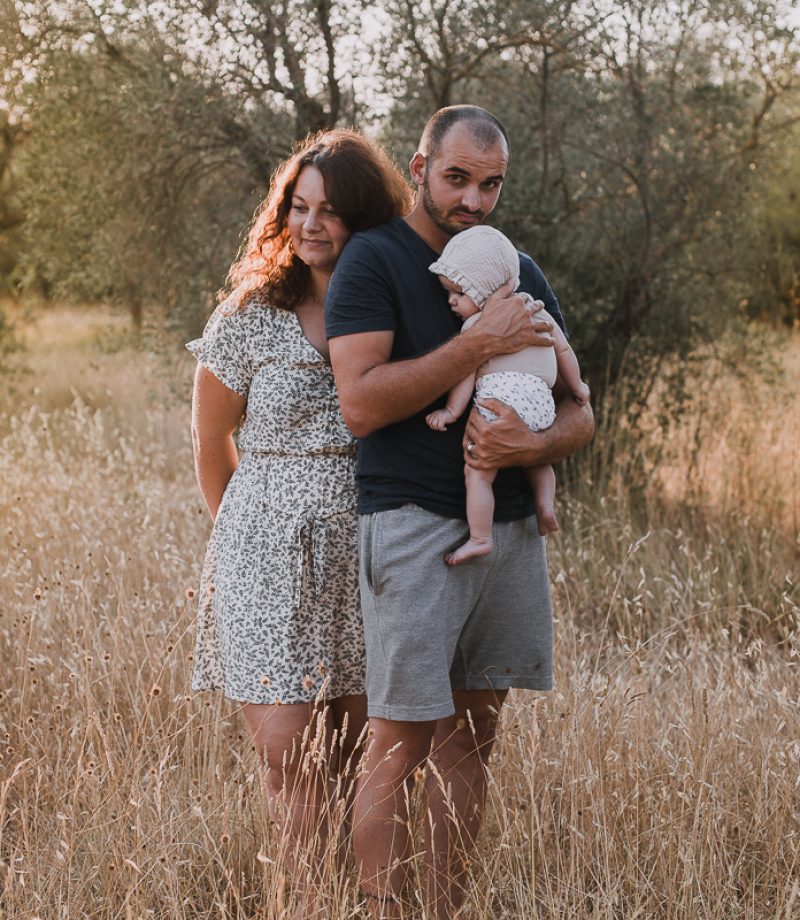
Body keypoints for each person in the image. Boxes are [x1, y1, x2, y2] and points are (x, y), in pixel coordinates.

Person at [325, 105, 594, 918]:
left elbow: (581, 410)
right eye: (458, 179)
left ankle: (441, 908)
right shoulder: (371, 261)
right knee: (399, 739)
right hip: (411, 528)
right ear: (418, 167)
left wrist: (530, 447)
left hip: (509, 534)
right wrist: (477, 345)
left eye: (491, 185)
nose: (475, 200)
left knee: (473, 742)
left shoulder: (517, 268)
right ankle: (382, 908)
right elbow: (361, 406)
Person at [187, 129, 410, 916]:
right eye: (298, 206)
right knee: (288, 752)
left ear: (369, 217)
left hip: (371, 549)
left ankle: (366, 898)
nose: (311, 224)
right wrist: (249, 534)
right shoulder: (249, 313)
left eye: (331, 211)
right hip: (263, 551)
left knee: (358, 752)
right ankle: (309, 906)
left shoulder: (394, 306)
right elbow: (212, 442)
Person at [425, 225, 590, 564]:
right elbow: (564, 350)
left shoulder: (478, 327)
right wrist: (578, 388)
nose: (451, 301)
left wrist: (452, 413)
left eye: (459, 292)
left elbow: (466, 376)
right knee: (538, 459)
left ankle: (480, 537)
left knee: (478, 471)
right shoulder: (537, 310)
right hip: (542, 404)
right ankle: (545, 506)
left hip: (500, 401)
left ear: (484, 292)